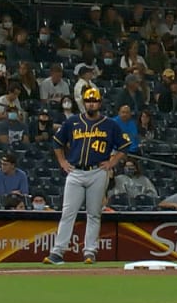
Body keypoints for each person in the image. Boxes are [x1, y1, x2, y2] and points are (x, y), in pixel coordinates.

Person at [43, 88, 132, 265]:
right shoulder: (73, 122)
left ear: (99, 103)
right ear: (84, 103)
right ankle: (58, 252)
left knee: (94, 214)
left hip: (97, 172)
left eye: (94, 101)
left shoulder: (109, 124)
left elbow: (125, 145)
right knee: (68, 212)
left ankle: (90, 252)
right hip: (75, 171)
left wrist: (112, 163)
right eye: (88, 101)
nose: (91, 103)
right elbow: (57, 142)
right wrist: (62, 162)